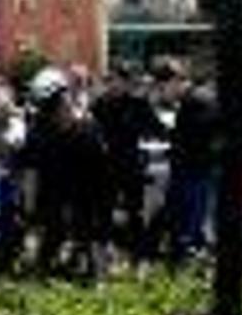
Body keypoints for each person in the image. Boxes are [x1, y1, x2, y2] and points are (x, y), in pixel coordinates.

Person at [23, 68, 110, 278]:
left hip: (82, 197)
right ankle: (54, 270)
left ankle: (89, 271)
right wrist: (31, 205)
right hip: (57, 196)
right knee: (55, 238)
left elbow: (101, 170)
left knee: (85, 238)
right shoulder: (40, 130)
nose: (53, 111)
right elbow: (31, 170)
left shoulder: (87, 128)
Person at [92, 65, 166, 260]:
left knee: (136, 211)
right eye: (109, 80)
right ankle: (105, 252)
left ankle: (137, 252)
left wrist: (159, 135)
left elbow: (156, 128)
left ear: (125, 82)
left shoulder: (138, 104)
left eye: (115, 80)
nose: (111, 84)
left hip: (131, 163)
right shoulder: (101, 104)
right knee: (105, 210)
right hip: (107, 164)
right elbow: (93, 131)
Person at [160, 62, 218, 261]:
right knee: (188, 225)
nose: (161, 94)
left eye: (162, 88)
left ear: (173, 82)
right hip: (193, 170)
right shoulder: (195, 99)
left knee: (189, 227)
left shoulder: (196, 101)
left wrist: (174, 144)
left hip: (194, 172)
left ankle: (189, 263)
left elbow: (197, 140)